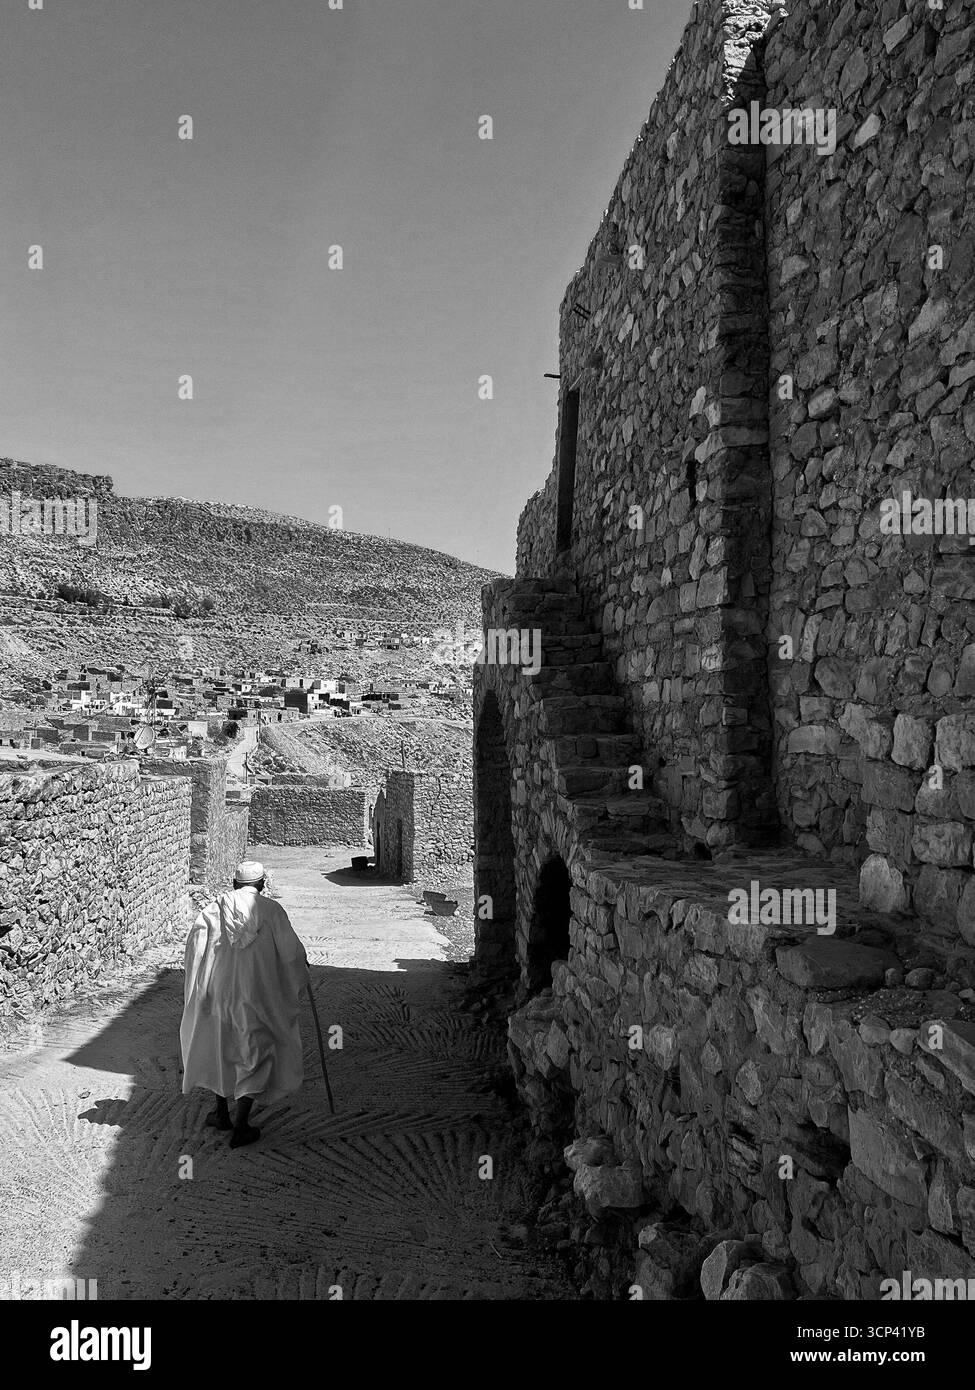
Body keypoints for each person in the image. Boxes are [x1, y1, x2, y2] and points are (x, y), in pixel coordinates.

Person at [180, 860, 309, 1148]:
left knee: (220, 1046)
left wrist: (198, 988)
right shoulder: (272, 911)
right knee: (254, 1053)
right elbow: (290, 955)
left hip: (218, 994)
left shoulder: (213, 909)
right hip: (257, 997)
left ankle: (221, 1113)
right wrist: (300, 972)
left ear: (235, 884)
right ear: (262, 884)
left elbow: (195, 948)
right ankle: (240, 1125)